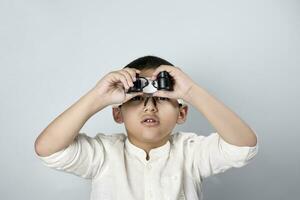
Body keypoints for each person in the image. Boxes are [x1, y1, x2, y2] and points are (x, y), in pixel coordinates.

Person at [34, 55, 259, 200]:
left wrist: (190, 91)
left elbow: (243, 147)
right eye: (136, 99)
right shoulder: (104, 154)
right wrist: (97, 96)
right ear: (117, 113)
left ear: (182, 113)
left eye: (161, 98)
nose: (149, 107)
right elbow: (48, 149)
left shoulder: (190, 153)